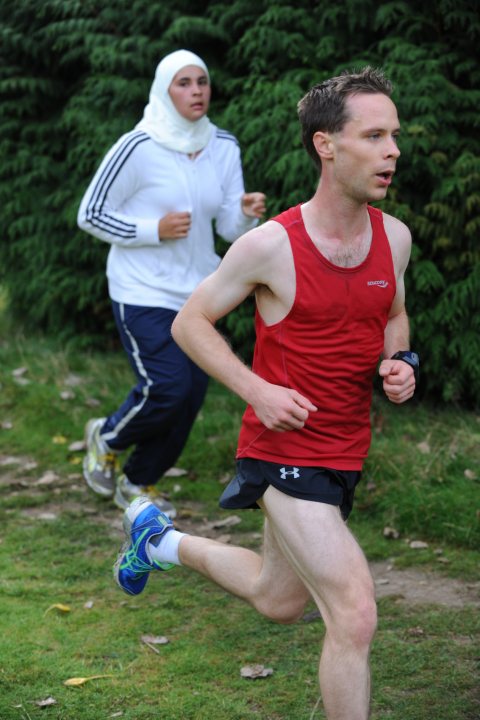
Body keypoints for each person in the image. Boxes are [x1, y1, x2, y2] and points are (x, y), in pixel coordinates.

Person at [113, 67, 419, 719]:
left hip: (344, 448)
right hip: (282, 449)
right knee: (355, 611)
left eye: (394, 135)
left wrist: (400, 361)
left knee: (279, 600)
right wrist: (258, 390)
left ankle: (158, 543)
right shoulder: (270, 246)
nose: (393, 149)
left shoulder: (393, 239)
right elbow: (188, 323)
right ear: (326, 145)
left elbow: (392, 315)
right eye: (374, 135)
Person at [77, 49, 266, 515]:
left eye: (201, 81)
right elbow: (91, 214)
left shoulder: (223, 145)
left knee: (189, 400)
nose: (196, 90)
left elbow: (227, 229)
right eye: (183, 83)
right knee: (168, 388)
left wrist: (242, 214)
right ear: (164, 90)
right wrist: (151, 230)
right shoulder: (137, 146)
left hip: (199, 294)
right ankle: (107, 436)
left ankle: (138, 482)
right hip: (141, 288)